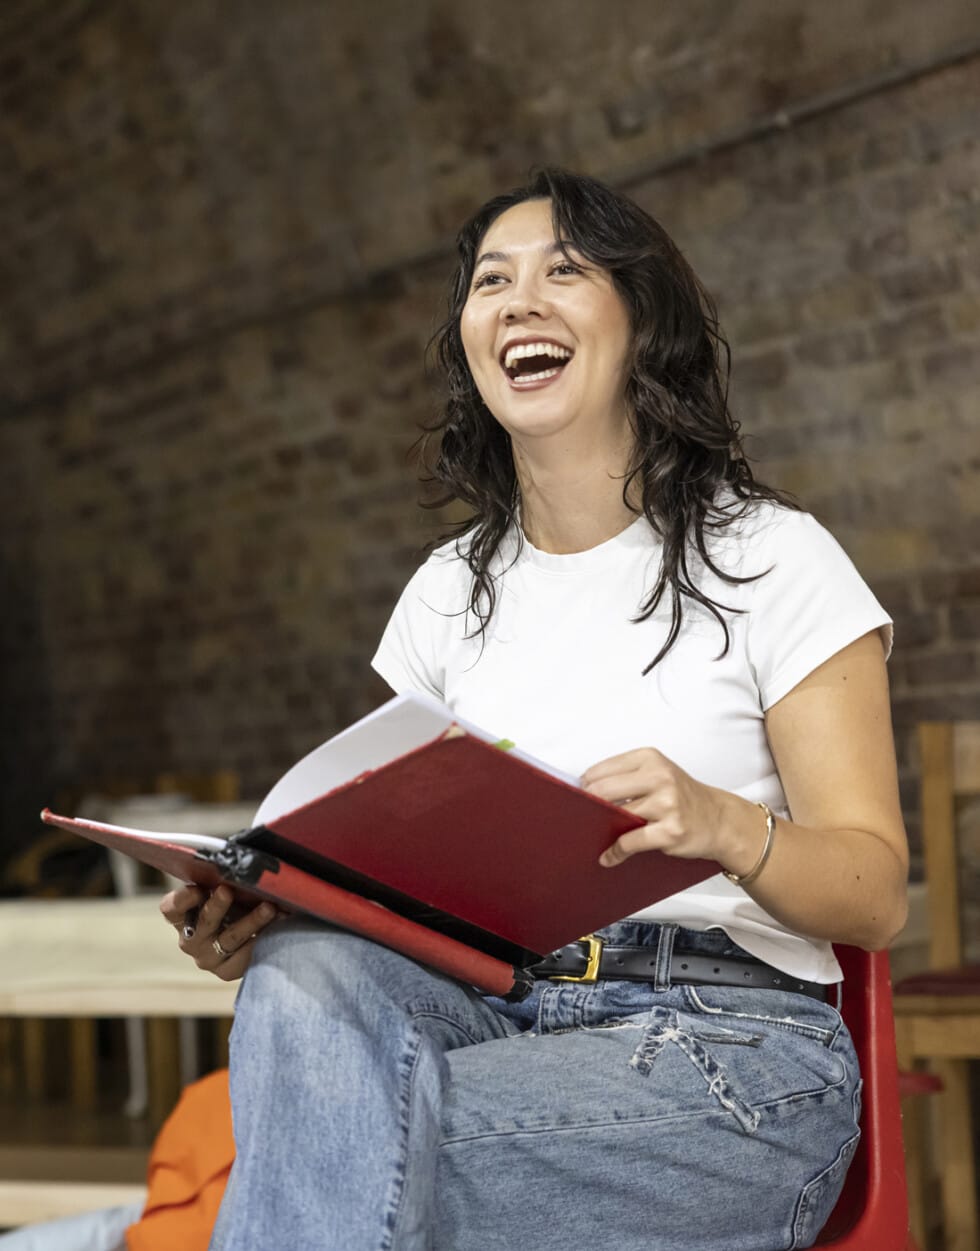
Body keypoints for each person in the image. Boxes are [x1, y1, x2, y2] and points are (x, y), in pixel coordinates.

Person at [157, 168, 907, 1251]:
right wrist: (277, 904)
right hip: (495, 1009)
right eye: (490, 281)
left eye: (564, 271)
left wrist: (723, 826)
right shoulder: (445, 594)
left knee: (327, 1147)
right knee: (307, 973)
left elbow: (874, 896)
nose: (517, 301)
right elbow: (405, 889)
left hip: (727, 1050)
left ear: (640, 321)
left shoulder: (771, 558)